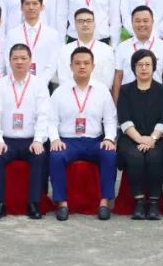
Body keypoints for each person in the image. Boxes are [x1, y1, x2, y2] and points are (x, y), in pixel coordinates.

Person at [48, 47, 119, 221]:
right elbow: (51, 120)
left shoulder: (102, 90)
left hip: (94, 141)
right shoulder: (60, 92)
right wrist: (55, 139)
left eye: (86, 63)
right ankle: (62, 204)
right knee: (56, 156)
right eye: (77, 63)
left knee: (109, 154)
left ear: (93, 66)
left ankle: (104, 203)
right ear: (70, 66)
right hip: (68, 141)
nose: (82, 66)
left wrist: (109, 138)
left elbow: (110, 119)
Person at [0, 44, 50, 220]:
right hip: (6, 139)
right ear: (9, 61)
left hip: (31, 139)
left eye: (23, 58)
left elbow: (43, 115)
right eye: (15, 58)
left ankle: (33, 203)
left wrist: (38, 140)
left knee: (39, 156)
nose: (19, 62)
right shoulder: (0, 84)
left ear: (30, 61)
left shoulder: (39, 85)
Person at [116, 49, 163, 220]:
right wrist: (140, 139)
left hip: (155, 138)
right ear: (133, 68)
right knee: (135, 156)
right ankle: (139, 203)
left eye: (148, 65)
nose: (144, 68)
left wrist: (152, 139)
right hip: (131, 138)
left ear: (154, 67)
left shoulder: (162, 91)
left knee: (155, 156)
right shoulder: (125, 90)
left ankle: (153, 203)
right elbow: (124, 119)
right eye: (140, 65)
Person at [113, 6, 163, 100]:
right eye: (137, 21)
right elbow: (118, 77)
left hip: (155, 99)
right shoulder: (122, 47)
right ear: (132, 23)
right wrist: (117, 103)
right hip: (129, 99)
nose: (141, 24)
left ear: (152, 22)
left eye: (145, 21)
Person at [3, 0, 63, 82]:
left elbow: (53, 63)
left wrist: (40, 83)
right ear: (21, 8)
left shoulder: (52, 34)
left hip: (44, 84)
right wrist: (19, 80)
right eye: (27, 4)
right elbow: (8, 61)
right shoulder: (12, 34)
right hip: (17, 83)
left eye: (35, 3)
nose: (31, 7)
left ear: (42, 7)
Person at [56, 8, 116, 88]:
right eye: (80, 21)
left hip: (99, 94)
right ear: (75, 25)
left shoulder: (107, 50)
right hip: (71, 93)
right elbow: (63, 79)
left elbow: (107, 80)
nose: (85, 24)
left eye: (89, 21)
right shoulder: (65, 50)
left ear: (94, 24)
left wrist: (91, 92)